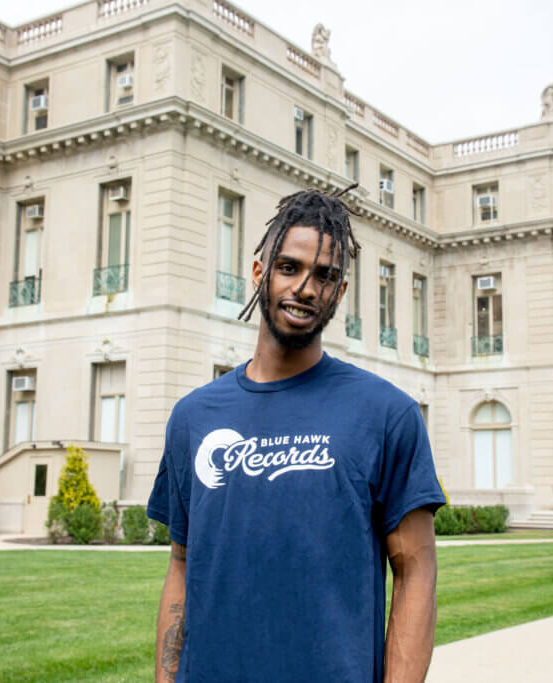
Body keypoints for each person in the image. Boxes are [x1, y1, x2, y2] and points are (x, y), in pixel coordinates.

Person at [147, 185, 446, 682]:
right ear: (260, 272)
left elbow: (416, 572)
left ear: (340, 293)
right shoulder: (193, 418)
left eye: (325, 276)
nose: (305, 288)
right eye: (289, 267)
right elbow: (180, 566)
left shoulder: (386, 414)